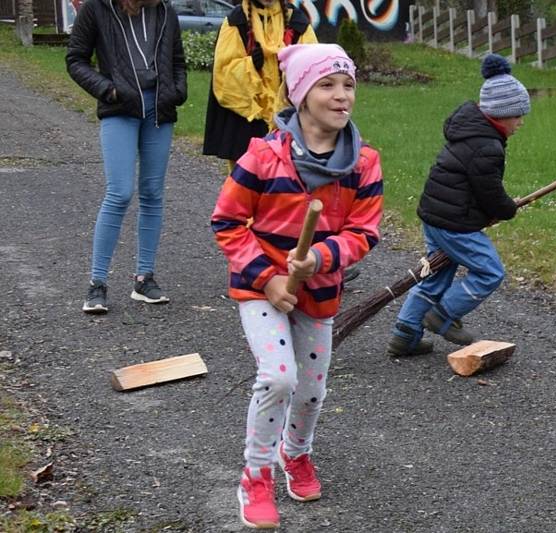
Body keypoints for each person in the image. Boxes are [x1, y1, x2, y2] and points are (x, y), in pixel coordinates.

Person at [211, 44, 382, 529]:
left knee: (310, 392)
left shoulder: (364, 163)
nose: (341, 95)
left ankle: (296, 452)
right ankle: (256, 475)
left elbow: (364, 231)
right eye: (327, 85)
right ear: (301, 94)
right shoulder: (264, 156)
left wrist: (320, 259)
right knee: (279, 377)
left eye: (348, 84)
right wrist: (268, 280)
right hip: (260, 288)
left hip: (320, 291)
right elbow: (227, 220)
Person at [386, 53, 530, 357]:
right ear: (501, 114)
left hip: (435, 215)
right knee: (490, 271)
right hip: (454, 223)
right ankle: (444, 314)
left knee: (435, 275)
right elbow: (488, 192)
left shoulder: (470, 130)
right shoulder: (486, 146)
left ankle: (405, 334)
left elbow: (472, 188)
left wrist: (495, 208)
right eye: (518, 114)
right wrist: (507, 209)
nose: (521, 122)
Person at [66, 0, 187, 314]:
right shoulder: (96, 9)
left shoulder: (164, 10)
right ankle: (97, 284)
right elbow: (76, 60)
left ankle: (144, 279)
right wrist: (109, 91)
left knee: (152, 193)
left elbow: (177, 60)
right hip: (119, 108)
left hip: (159, 110)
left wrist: (178, 90)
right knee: (119, 191)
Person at [202, 0, 316, 171]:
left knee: (285, 181)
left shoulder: (297, 22)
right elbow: (223, 72)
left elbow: (313, 66)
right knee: (244, 181)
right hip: (247, 117)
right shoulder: (237, 20)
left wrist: (290, 67)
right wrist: (250, 66)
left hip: (287, 118)